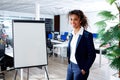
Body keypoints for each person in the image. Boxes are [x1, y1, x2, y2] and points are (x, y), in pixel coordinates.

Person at [66, 10, 96, 80]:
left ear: (80, 20)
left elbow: (92, 55)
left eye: (75, 19)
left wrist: (85, 69)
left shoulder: (87, 35)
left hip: (80, 67)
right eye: (71, 19)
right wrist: (69, 64)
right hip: (70, 66)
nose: (72, 22)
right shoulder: (71, 33)